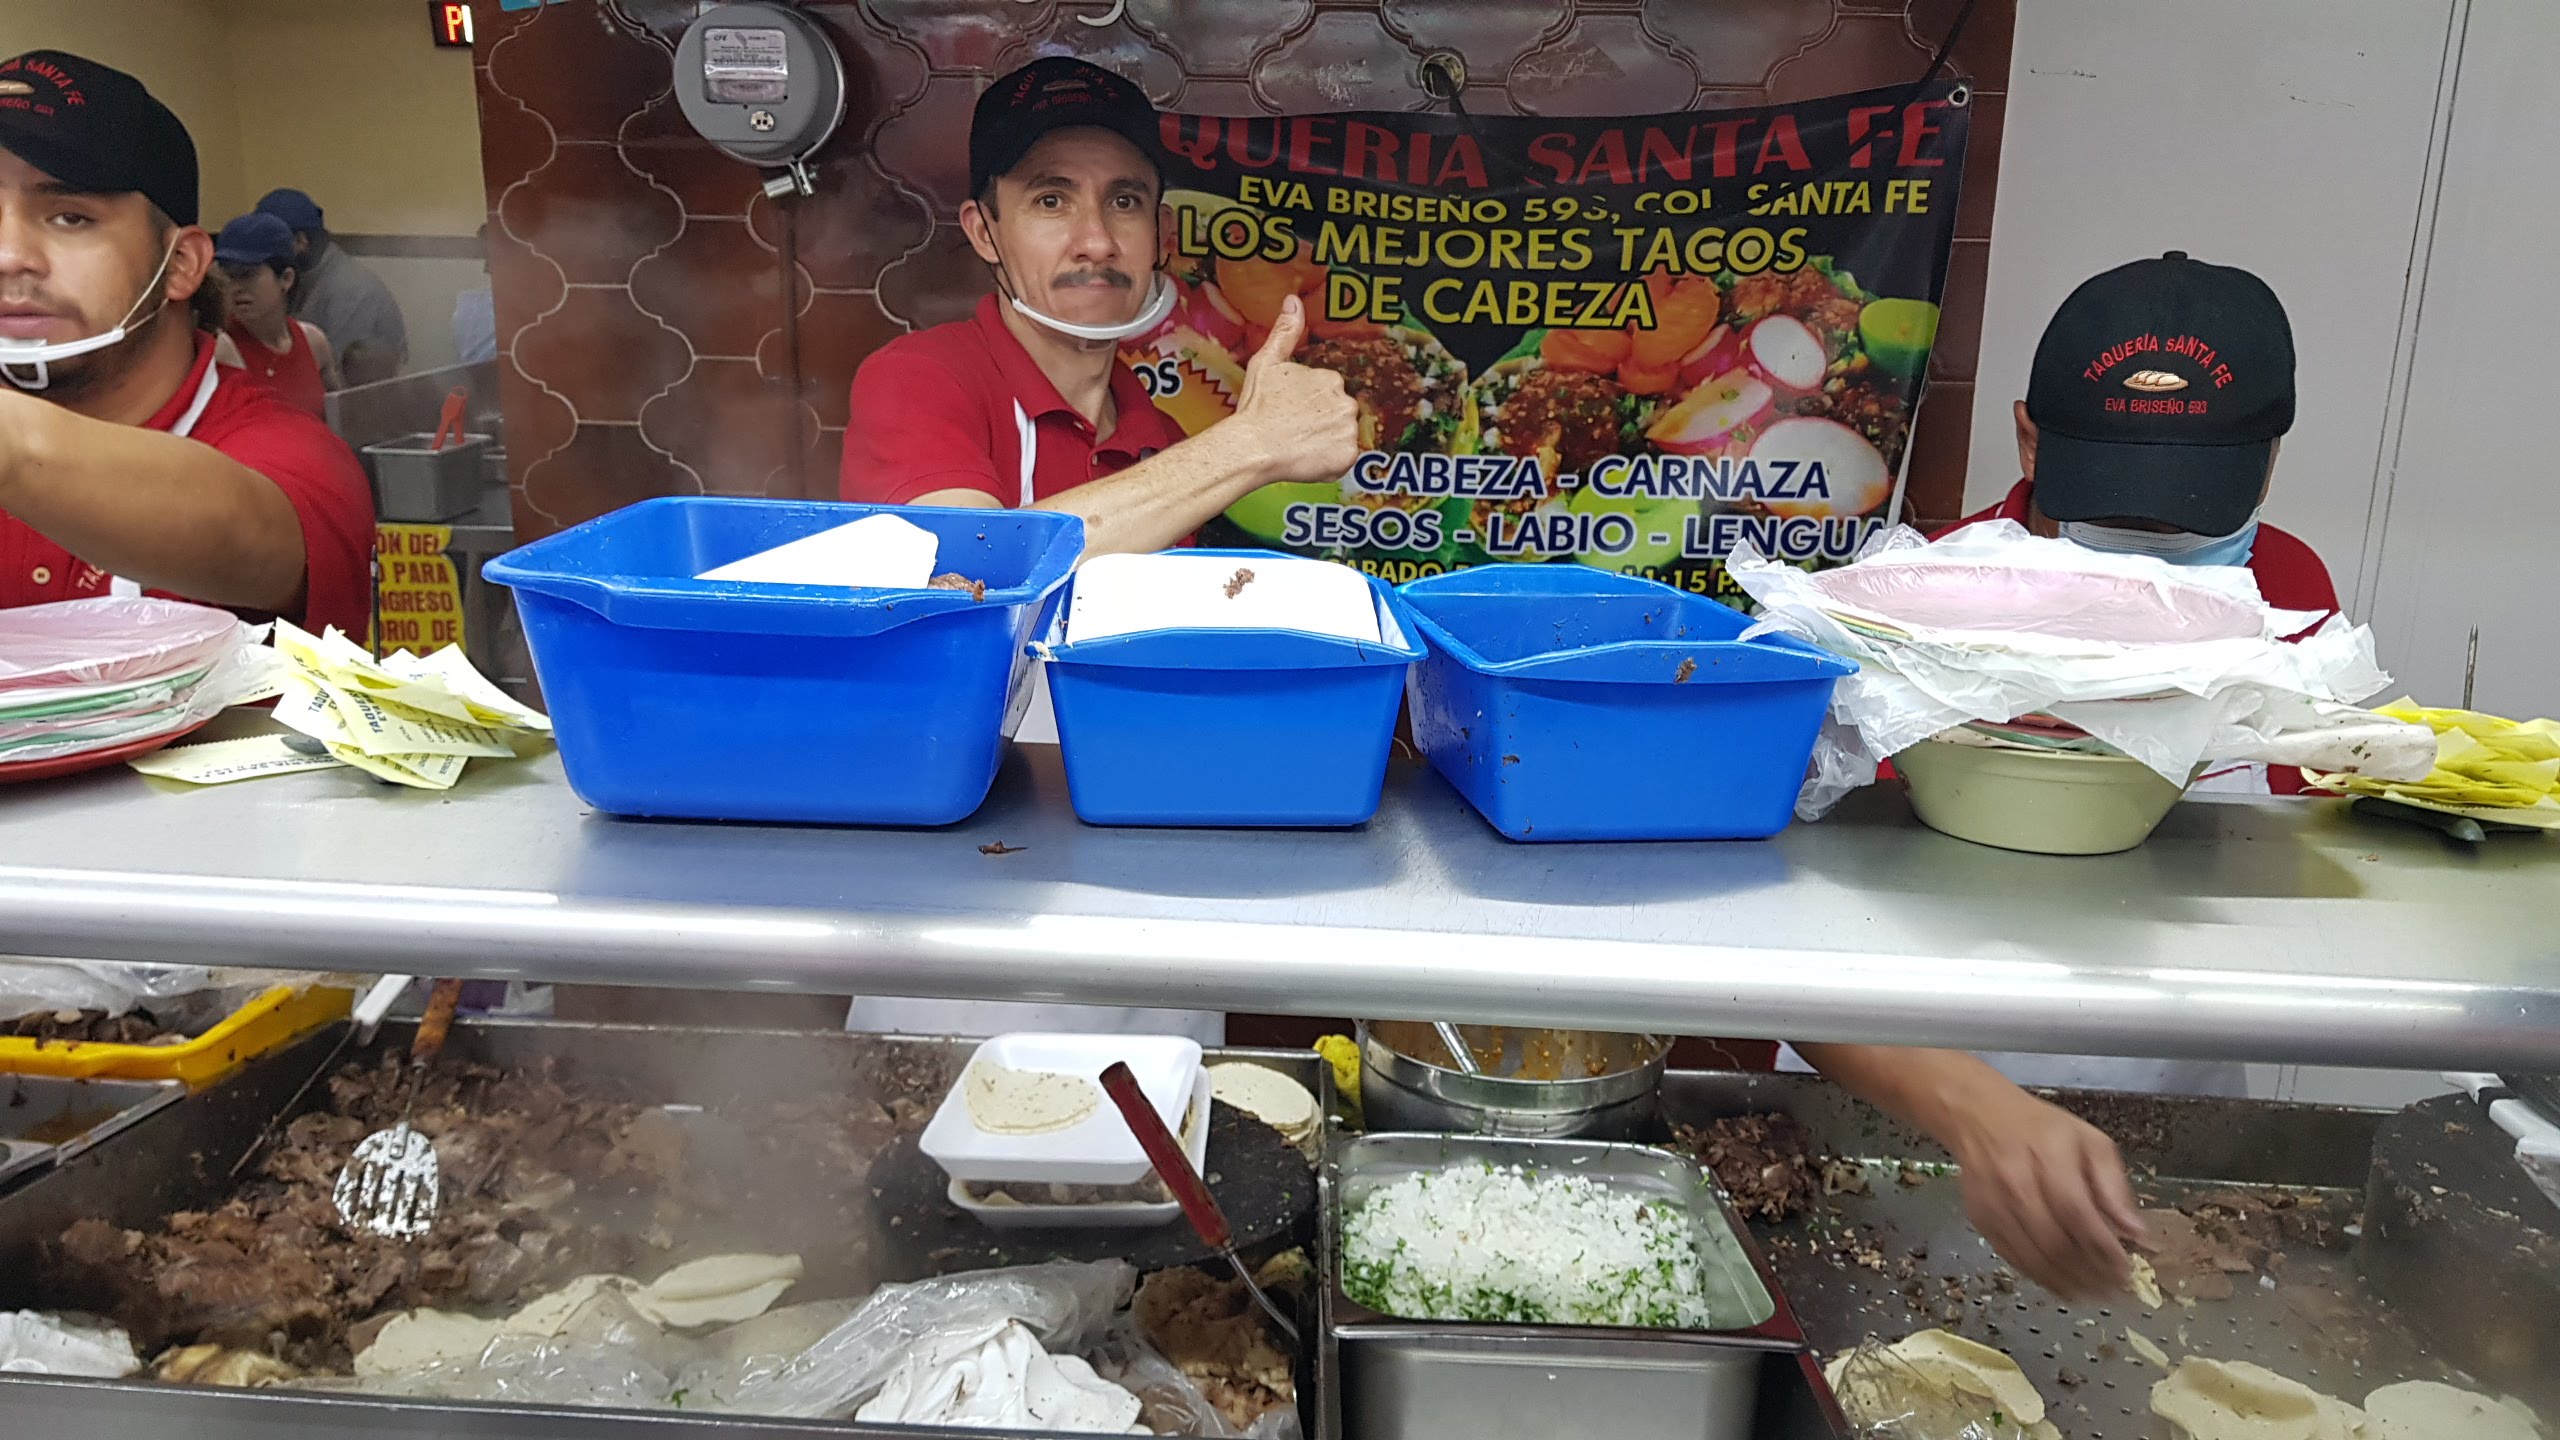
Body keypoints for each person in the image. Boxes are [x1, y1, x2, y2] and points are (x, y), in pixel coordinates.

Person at [840, 56, 1359, 557]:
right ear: (984, 232)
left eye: (1124, 201)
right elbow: (965, 569)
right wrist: (1252, 444)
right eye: (1051, 200)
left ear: (1162, 237)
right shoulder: (918, 379)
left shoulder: (1161, 445)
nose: (1097, 241)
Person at [0, 51, 374, 635]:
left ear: (180, 264)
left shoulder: (294, 453)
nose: (8, 257)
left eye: (69, 216)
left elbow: (251, 542)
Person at [254, 186, 407, 387]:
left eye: (267, 246)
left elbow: (341, 384)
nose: (260, 257)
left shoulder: (352, 292)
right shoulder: (304, 277)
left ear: (300, 242)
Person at [210, 212, 339, 418]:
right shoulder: (220, 348)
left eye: (247, 274)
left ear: (286, 279)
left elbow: (339, 421)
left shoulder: (313, 342)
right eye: (228, 276)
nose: (236, 288)